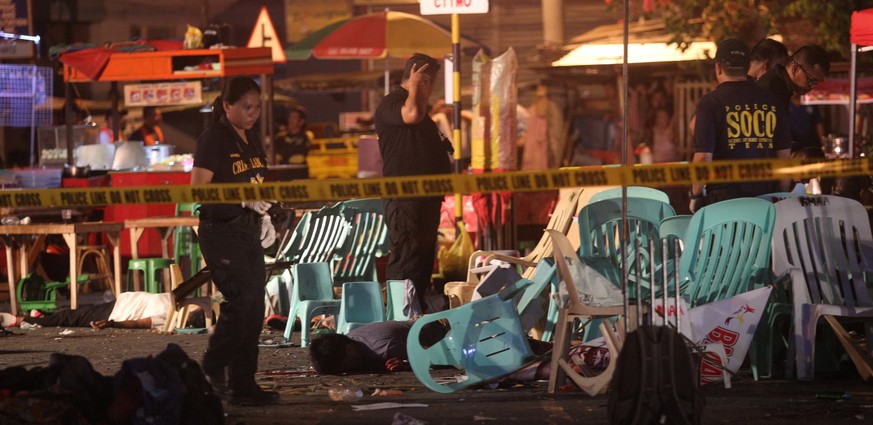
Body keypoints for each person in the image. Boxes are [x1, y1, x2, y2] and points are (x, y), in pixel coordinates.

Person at [190, 76, 278, 406]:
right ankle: (213, 365)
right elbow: (198, 189)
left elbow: (257, 181)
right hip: (221, 230)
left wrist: (266, 213)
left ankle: (244, 384)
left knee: (255, 307)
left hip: (248, 230)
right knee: (243, 300)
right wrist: (240, 201)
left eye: (256, 107)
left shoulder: (251, 138)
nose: (253, 112)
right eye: (245, 106)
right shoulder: (214, 138)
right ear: (227, 106)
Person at [375, 53, 452, 312]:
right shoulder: (393, 103)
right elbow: (412, 115)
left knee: (421, 261)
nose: (432, 89)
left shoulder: (422, 112)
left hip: (425, 200)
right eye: (431, 82)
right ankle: (399, 317)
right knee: (407, 259)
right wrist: (416, 84)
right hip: (406, 201)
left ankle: (413, 318)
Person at [689, 38, 792, 212]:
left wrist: (695, 195)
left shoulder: (711, 102)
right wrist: (780, 194)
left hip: (724, 202)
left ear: (718, 68)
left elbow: (703, 158)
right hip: (764, 199)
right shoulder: (773, 102)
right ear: (746, 67)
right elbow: (784, 157)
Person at [309, 319, 448, 375]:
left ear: (349, 350)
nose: (349, 370)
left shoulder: (384, 348)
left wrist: (408, 363)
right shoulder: (352, 338)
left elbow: (437, 355)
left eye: (346, 366)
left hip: (443, 334)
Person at [0, 291, 195, 330]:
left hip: (118, 310)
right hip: (123, 304)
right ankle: (39, 319)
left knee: (71, 317)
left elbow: (140, 323)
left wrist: (112, 324)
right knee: (71, 316)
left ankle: (22, 320)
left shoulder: (176, 317)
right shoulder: (190, 304)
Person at [756, 44, 830, 117]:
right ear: (795, 69)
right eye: (811, 80)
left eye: (817, 83)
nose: (813, 86)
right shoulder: (770, 90)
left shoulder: (781, 87)